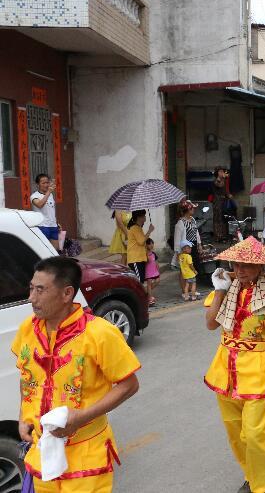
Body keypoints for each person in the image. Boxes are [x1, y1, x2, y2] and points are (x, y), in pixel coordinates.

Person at [13, 256, 140, 492]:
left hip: (86, 454)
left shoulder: (99, 333)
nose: (32, 298)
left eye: (40, 290)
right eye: (31, 288)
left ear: (66, 293)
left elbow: (129, 385)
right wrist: (23, 417)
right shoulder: (27, 329)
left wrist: (81, 418)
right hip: (42, 452)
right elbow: (26, 376)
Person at [204, 238, 265, 493]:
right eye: (237, 263)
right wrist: (220, 290)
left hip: (256, 368)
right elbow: (211, 324)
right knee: (235, 432)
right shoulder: (228, 288)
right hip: (224, 368)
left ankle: (264, 485)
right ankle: (251, 474)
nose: (241, 269)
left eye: (248, 264)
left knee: (255, 433)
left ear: (260, 267)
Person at [173, 200, 202, 295]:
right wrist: (178, 253)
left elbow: (196, 232)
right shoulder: (180, 223)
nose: (193, 209)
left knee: (193, 267)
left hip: (193, 246)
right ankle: (184, 291)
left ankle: (192, 289)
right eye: (192, 208)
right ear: (187, 209)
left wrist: (199, 244)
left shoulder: (193, 219)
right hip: (184, 249)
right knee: (184, 270)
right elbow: (177, 239)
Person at [126, 210, 154, 298]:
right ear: (139, 217)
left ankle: (139, 299)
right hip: (135, 259)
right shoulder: (135, 228)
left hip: (140, 258)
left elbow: (143, 244)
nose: (145, 218)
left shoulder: (138, 228)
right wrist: (149, 231)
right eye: (144, 216)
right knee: (138, 282)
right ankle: (138, 299)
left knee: (140, 281)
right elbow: (141, 241)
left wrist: (146, 255)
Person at [30, 173, 60, 250]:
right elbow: (40, 204)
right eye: (43, 183)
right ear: (38, 184)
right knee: (44, 250)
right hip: (42, 226)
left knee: (55, 251)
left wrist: (57, 223)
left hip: (53, 226)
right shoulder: (34, 196)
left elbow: (51, 210)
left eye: (47, 182)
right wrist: (48, 192)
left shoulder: (50, 195)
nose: (46, 185)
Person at [212, 167, 231, 241]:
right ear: (217, 173)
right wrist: (223, 178)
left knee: (223, 218)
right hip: (217, 201)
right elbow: (220, 185)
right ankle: (218, 236)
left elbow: (225, 189)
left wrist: (228, 195)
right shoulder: (217, 180)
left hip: (223, 200)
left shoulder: (224, 180)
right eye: (220, 171)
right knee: (218, 218)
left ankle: (223, 235)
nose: (222, 172)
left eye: (222, 171)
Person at [145, 238, 160, 303]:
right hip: (148, 272)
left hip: (155, 271)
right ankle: (150, 298)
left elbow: (156, 262)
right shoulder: (145, 254)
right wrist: (147, 254)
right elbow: (147, 261)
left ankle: (147, 292)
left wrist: (158, 270)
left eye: (152, 243)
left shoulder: (153, 253)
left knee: (157, 281)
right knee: (149, 283)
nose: (151, 245)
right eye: (149, 244)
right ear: (146, 245)